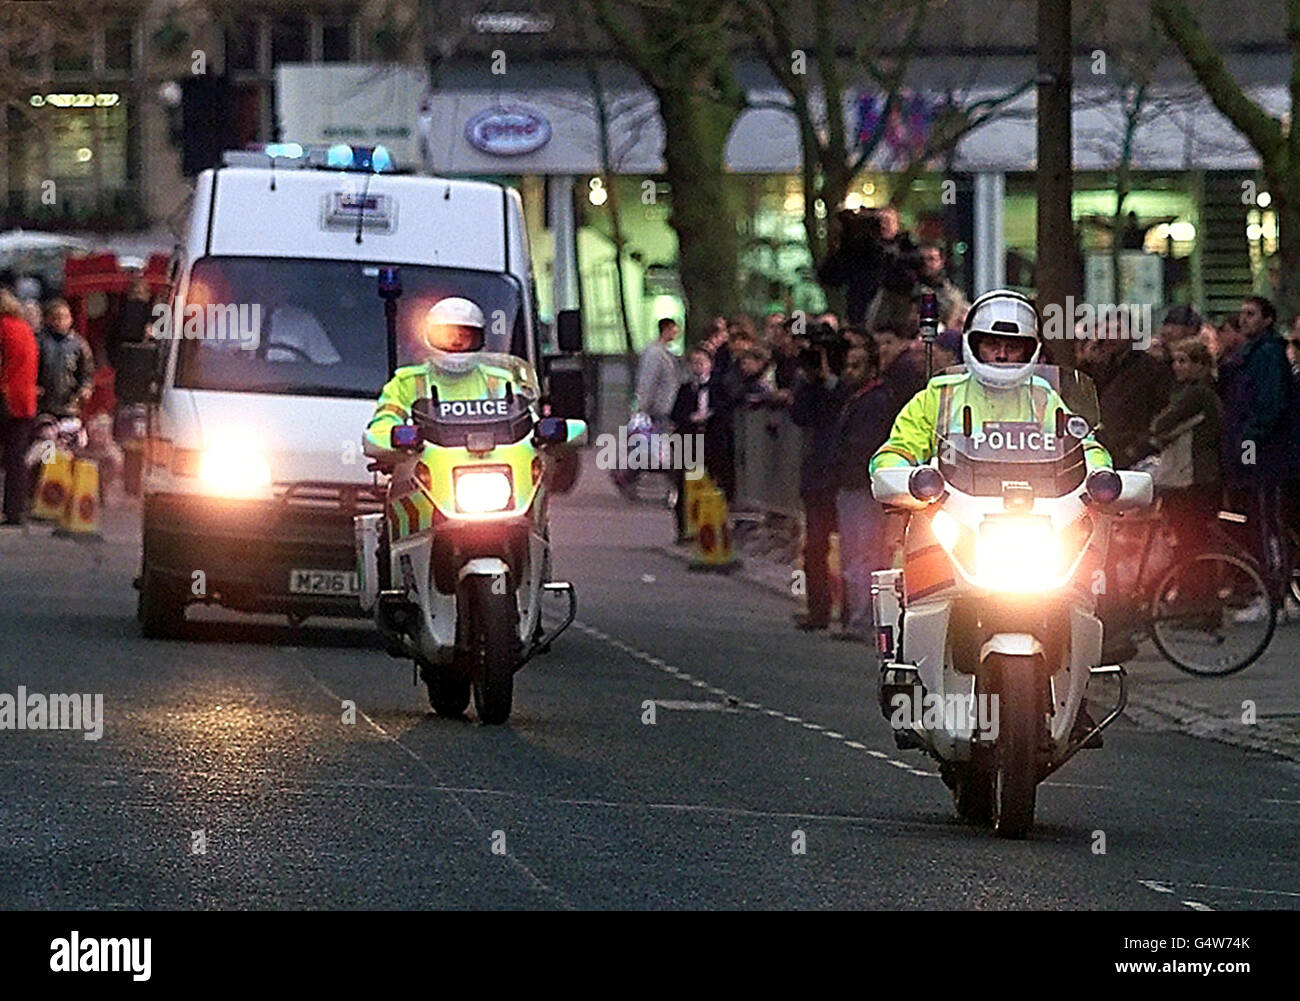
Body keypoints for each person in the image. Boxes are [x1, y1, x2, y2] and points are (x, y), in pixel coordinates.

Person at [363, 296, 512, 458]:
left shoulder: (499, 381)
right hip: (424, 469)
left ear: (479, 338)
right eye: (447, 335)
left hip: (492, 465)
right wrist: (396, 436)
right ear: (430, 336)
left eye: (465, 335)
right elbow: (382, 424)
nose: (456, 342)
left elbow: (527, 423)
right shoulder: (409, 381)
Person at [1219, 295, 1291, 603]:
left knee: (1263, 516)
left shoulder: (1268, 356)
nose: (1244, 319)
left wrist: (1248, 444)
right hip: (1250, 446)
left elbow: (1268, 405)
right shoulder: (1248, 356)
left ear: (1267, 319)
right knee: (1254, 516)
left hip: (1263, 452)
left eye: (1251, 314)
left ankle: (1271, 588)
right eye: (1242, 314)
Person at [830, 341, 896, 640]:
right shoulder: (856, 397)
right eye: (848, 365)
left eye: (857, 366)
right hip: (851, 483)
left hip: (862, 485)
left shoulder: (876, 401)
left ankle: (864, 619)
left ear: (871, 367)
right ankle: (857, 615)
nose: (849, 372)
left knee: (865, 555)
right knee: (854, 554)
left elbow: (863, 443)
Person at [1143, 339, 1223, 565]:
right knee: (1195, 537)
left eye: (1183, 361)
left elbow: (1162, 425)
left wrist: (1156, 431)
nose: (1177, 367)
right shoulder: (1200, 392)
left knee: (1188, 537)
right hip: (1196, 475)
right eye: (1176, 361)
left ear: (1200, 365)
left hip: (1189, 476)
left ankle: (1191, 592)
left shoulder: (1197, 394)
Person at [789, 336, 851, 631]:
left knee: (852, 548)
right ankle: (818, 609)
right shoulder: (809, 387)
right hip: (816, 476)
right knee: (814, 547)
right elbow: (798, 415)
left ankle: (851, 613)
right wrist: (808, 380)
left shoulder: (845, 386)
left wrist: (828, 379)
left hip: (841, 474)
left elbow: (844, 403)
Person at [670, 346, 734, 540]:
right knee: (685, 483)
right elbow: (675, 414)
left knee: (712, 483)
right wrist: (690, 418)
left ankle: (712, 526)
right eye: (694, 363)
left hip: (712, 440)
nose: (698, 367)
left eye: (702, 363)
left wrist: (711, 415)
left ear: (710, 365)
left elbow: (726, 409)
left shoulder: (719, 386)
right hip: (689, 439)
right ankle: (684, 528)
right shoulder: (686, 388)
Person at [1, 290, 40, 526]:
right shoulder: (23, 328)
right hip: (24, 401)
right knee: (17, 459)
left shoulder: (2, 327)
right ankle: (15, 510)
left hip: (4, 398)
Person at [36, 298, 95, 418]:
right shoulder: (39, 342)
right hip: (44, 405)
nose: (60, 321)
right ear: (47, 320)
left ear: (71, 319)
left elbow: (87, 373)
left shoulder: (79, 344)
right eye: (56, 317)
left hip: (70, 405)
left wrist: (85, 389)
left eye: (65, 317)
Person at [633, 317, 682, 428]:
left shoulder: (666, 352)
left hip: (665, 408)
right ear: (666, 329)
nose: (676, 332)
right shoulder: (654, 353)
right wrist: (643, 406)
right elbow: (647, 379)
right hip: (658, 409)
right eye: (673, 329)